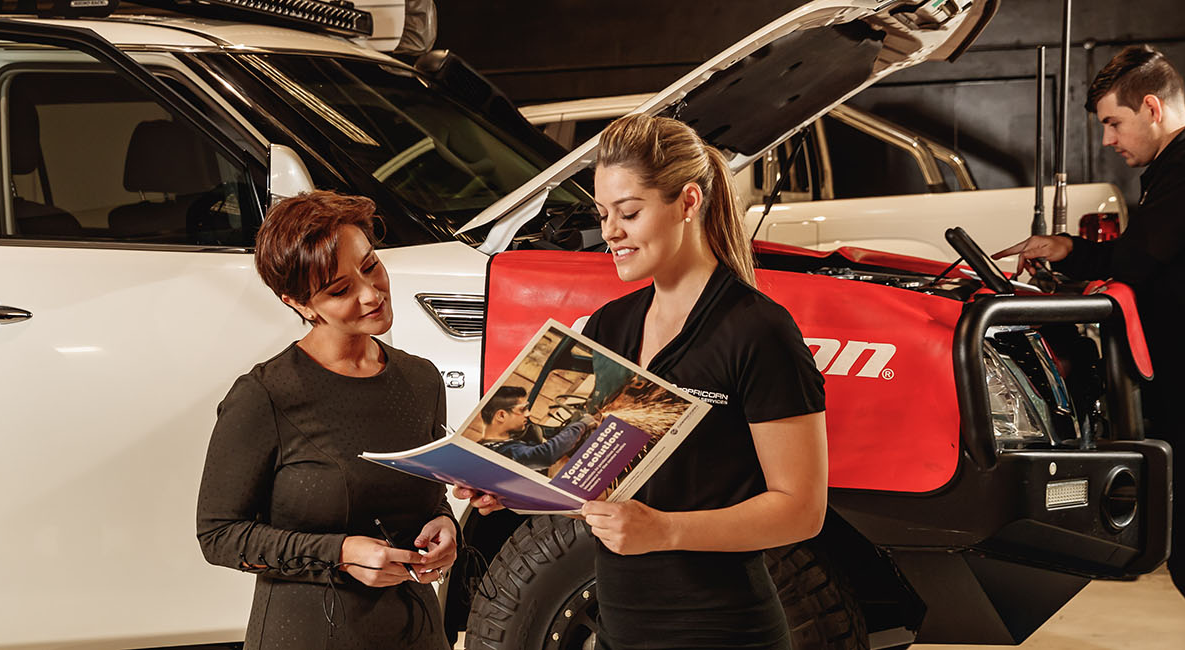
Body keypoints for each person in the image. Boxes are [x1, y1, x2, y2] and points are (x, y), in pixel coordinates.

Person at [458, 114, 829, 650]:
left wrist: (667, 530)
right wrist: (508, 486)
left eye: (629, 213)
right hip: (621, 627)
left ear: (688, 202)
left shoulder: (758, 332)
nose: (610, 232)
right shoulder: (611, 325)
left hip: (724, 632)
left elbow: (801, 509)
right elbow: (582, 473)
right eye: (603, 214)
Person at [994, 45, 1185, 648]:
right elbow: (1138, 261)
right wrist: (1063, 251)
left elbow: (1134, 263)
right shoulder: (1182, 169)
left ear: (1151, 107)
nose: (1108, 140)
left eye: (1113, 122)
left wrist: (1072, 256)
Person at [196, 190, 458, 649]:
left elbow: (425, 498)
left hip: (416, 632)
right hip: (308, 633)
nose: (371, 293)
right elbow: (219, 536)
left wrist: (445, 526)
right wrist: (339, 553)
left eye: (371, 265)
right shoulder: (265, 396)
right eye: (340, 290)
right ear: (299, 304)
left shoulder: (421, 380)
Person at [476, 385, 600, 472]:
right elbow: (545, 455)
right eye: (522, 409)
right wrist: (581, 425)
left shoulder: (489, 447)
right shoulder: (501, 453)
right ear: (501, 415)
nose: (528, 414)